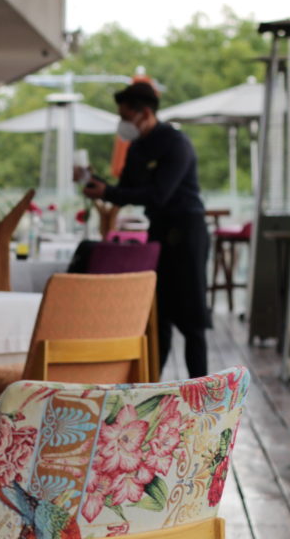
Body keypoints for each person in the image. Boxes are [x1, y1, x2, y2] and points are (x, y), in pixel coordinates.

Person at [80, 82, 210, 378]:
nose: (122, 123)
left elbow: (157, 194)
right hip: (159, 233)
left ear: (145, 113)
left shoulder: (176, 143)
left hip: (187, 232)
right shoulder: (137, 147)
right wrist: (91, 179)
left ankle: (202, 395)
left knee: (192, 320)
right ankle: (153, 389)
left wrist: (109, 193)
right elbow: (125, 189)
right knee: (157, 317)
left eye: (126, 116)